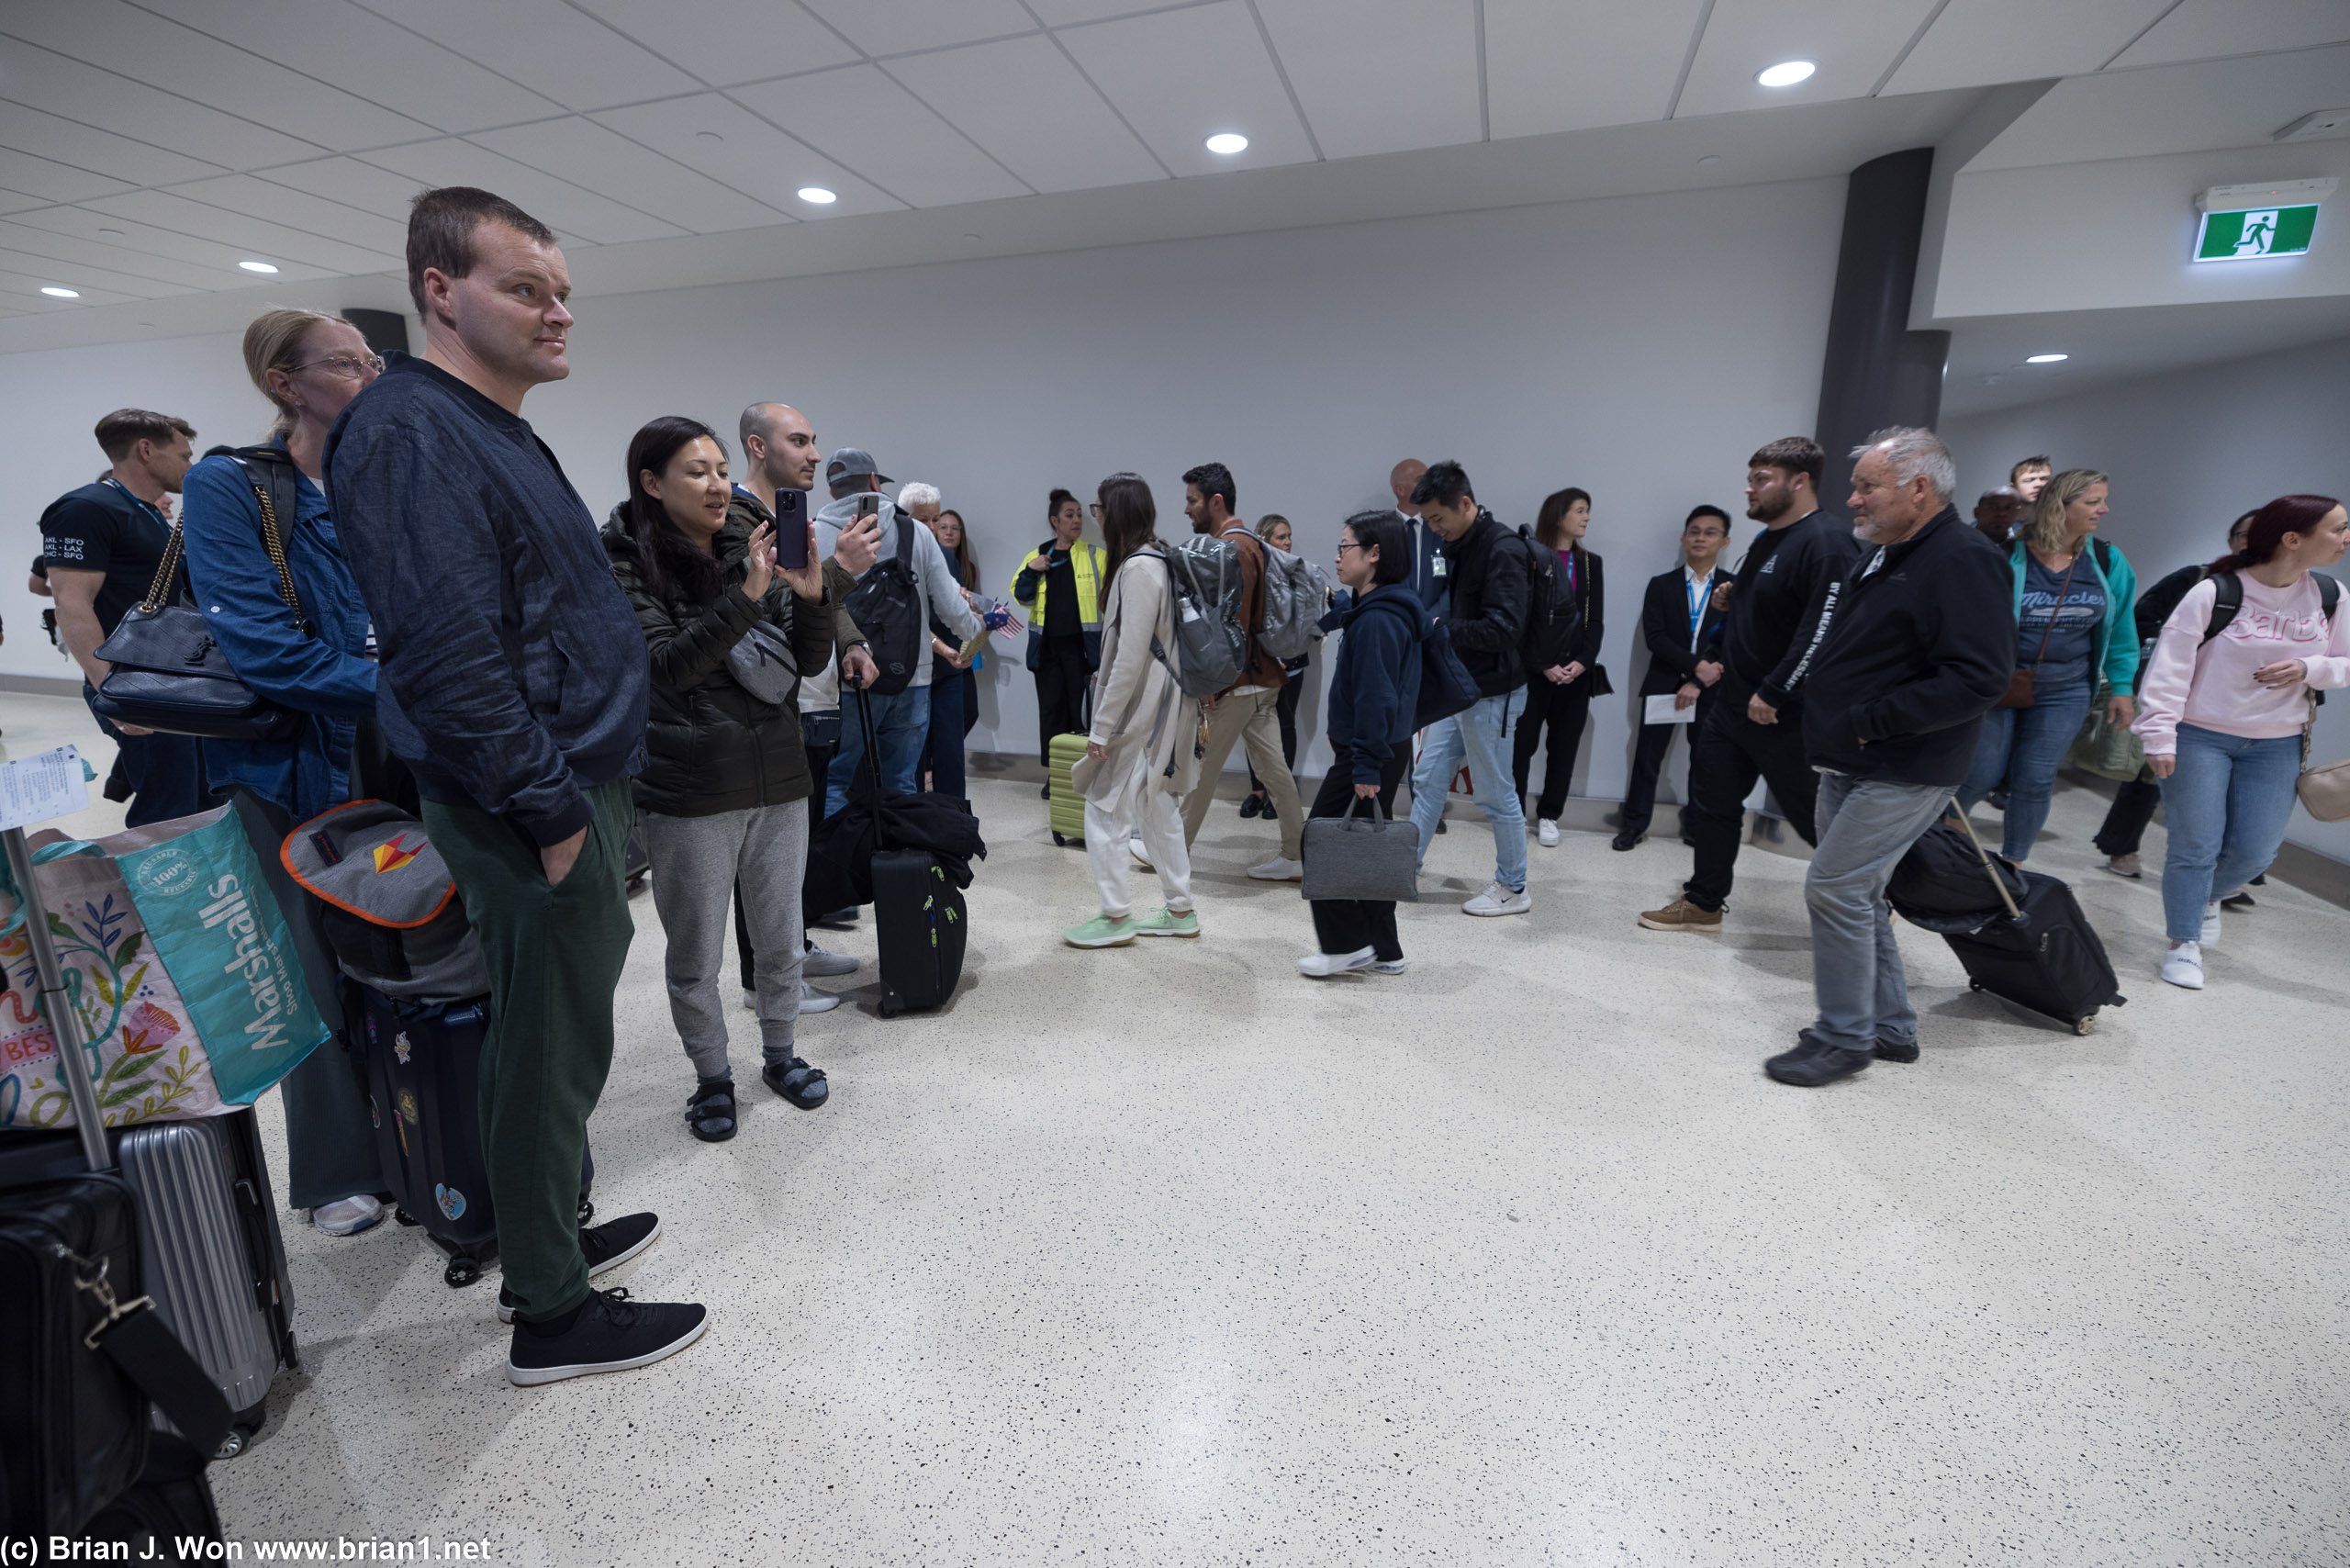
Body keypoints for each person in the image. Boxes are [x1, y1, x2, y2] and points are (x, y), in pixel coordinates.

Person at [325, 185, 701, 1385]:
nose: (557, 315)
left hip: (566, 787)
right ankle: (551, 1313)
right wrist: (544, 811)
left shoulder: (482, 423)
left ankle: (553, 1239)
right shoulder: (409, 429)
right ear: (441, 291)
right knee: (547, 1054)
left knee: (552, 1045)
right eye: (526, 289)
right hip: (529, 804)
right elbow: (444, 655)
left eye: (563, 295)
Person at [180, 308, 388, 1239]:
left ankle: (411, 1129)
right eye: (346, 363)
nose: (371, 375)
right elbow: (266, 652)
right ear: (284, 382)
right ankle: (337, 1171)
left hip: (386, 754)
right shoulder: (231, 486)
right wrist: (410, 687)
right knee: (305, 972)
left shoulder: (378, 481)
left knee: (397, 952)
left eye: (374, 358)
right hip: (280, 768)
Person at [603, 416, 844, 1142]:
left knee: (779, 940)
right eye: (695, 472)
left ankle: (780, 1054)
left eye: (718, 469)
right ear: (652, 483)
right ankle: (712, 1078)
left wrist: (810, 594)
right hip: (691, 791)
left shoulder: (751, 542)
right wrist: (744, 595)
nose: (716, 485)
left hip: (778, 776)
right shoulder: (623, 561)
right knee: (696, 956)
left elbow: (804, 663)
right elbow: (669, 665)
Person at [1765, 428, 2014, 1088]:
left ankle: (1843, 1037)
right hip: (1850, 756)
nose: (1853, 500)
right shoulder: (1889, 552)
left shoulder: (1963, 558)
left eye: (1868, 487)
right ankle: (1889, 1026)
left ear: (1920, 488)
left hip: (1904, 763)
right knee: (1862, 893)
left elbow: (1979, 676)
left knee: (1835, 886)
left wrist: (1873, 722)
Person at [1640, 438, 1861, 934]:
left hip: (1784, 715)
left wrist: (1776, 691)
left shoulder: (1826, 543)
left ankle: (1863, 906)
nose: (1750, 487)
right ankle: (1704, 902)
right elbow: (1757, 618)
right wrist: (1728, 612)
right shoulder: (1766, 541)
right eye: (1752, 477)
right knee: (1713, 806)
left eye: (1762, 479)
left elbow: (1821, 630)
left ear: (1799, 482)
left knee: (1813, 818)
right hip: (1733, 707)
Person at [2134, 494, 2350, 991]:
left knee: (2256, 854)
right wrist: (2159, 735)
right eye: (2337, 528)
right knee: (2195, 847)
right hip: (2199, 737)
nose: (2345, 538)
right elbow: (2169, 670)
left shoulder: (2330, 594)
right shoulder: (2216, 592)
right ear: (2292, 539)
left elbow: (2342, 662)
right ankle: (2183, 941)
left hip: (2278, 742)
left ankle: (2202, 898)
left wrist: (2308, 668)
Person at [730, 400, 878, 1011]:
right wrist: (841, 571)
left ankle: (789, 948)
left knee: (790, 848)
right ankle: (760, 979)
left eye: (814, 441)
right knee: (758, 856)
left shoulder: (784, 513)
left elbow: (809, 602)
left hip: (792, 707)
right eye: (800, 441)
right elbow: (778, 615)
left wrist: (849, 636)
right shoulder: (740, 521)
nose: (816, 454)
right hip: (751, 717)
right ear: (759, 447)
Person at [1955, 469, 2140, 865]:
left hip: (2066, 687)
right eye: (2093, 502)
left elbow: (2123, 629)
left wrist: (2123, 687)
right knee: (1980, 774)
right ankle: (1943, 839)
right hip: (1999, 683)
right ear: (2061, 506)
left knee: (2035, 779)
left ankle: (2013, 865)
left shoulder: (2107, 560)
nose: (2103, 510)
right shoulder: (2004, 556)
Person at [39, 408, 207, 827]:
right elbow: (71, 605)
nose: (190, 465)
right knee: (170, 809)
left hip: (171, 678)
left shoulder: (147, 511)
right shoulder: (85, 509)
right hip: (134, 683)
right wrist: (113, 691)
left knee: (194, 795)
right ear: (146, 450)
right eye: (184, 456)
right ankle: (166, 889)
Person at [1064, 473, 1203, 947]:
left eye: (1098, 509)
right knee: (1157, 807)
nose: (1094, 517)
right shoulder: (1156, 560)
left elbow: (1129, 657)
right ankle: (1180, 909)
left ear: (1116, 513)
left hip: (1143, 714)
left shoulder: (1138, 570)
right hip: (1165, 708)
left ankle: (1116, 916)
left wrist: (1101, 727)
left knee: (1103, 807)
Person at [817, 449, 982, 816]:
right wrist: (974, 632)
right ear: (875, 482)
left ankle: (836, 867)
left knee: (838, 779)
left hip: (848, 680)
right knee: (903, 782)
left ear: (832, 492)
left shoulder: (816, 533)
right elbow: (950, 604)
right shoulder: (915, 532)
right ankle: (898, 866)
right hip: (911, 677)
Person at [2095, 511, 2255, 878]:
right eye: (2244, 535)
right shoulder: (2197, 579)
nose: (2250, 542)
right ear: (2231, 540)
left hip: (2247, 706)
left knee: (2239, 788)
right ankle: (2121, 846)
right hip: (2182, 693)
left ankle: (2230, 872)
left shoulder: (2291, 591)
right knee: (2148, 773)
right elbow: (2142, 619)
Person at [1405, 460, 1533, 917]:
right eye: (1428, 522)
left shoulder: (1502, 549)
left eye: (1438, 519)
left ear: (1465, 503)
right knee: (1427, 777)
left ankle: (1514, 887)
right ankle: (1406, 865)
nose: (1435, 530)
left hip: (1493, 692)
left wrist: (1440, 626)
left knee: (1497, 793)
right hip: (1462, 688)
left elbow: (1504, 629)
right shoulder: (1463, 544)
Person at [1299, 510, 1423, 977]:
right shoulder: (1381, 610)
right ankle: (1385, 949)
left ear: (1374, 555)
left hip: (1369, 752)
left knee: (1321, 839)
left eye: (1345, 546)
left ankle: (1345, 944)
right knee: (1368, 845)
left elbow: (1377, 696)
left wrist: (1366, 765)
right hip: (1382, 749)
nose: (1336, 555)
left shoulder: (1378, 622)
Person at [1169, 462, 1305, 880]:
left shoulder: (1233, 549)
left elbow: (1230, 625)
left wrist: (1212, 684)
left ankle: (1173, 853)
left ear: (1216, 501)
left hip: (1238, 683)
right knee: (1274, 770)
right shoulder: (1253, 544)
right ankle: (1296, 854)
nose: (1186, 509)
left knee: (1200, 769)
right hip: (1263, 680)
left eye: (1192, 500)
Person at [1617, 505, 1734, 851]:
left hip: (1713, 687)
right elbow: (1656, 638)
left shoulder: (1736, 587)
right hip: (1664, 681)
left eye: (1710, 532)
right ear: (1684, 538)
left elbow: (1735, 637)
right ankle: (1634, 825)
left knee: (1706, 762)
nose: (1701, 537)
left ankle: (1697, 828)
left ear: (1724, 541)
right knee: (1647, 760)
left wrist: (1699, 680)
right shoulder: (1661, 585)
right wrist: (1694, 668)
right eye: (1694, 531)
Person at [1512, 487, 1608, 846]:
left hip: (1576, 674)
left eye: (1587, 511)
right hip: (1534, 672)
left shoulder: (1590, 563)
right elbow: (1520, 619)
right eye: (1580, 510)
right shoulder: (1530, 557)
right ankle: (1514, 813)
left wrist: (1583, 663)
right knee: (1522, 746)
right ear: (1558, 514)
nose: (1586, 518)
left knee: (1565, 747)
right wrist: (1543, 664)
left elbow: (1595, 621)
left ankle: (1550, 815)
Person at [1011, 488, 1103, 788]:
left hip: (1082, 652)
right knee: (1051, 713)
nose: (1077, 520)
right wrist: (1031, 570)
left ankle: (1082, 776)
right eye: (1069, 515)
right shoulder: (1037, 555)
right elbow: (1021, 596)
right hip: (1047, 651)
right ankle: (1056, 776)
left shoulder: (1094, 556)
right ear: (1055, 520)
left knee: (1081, 714)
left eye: (1079, 514)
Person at [1241, 514, 1314, 821]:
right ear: (1264, 539)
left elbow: (1309, 617)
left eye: (1289, 536)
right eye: (1281, 537)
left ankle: (1279, 794)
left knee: (1284, 724)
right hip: (1258, 663)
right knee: (1253, 727)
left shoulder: (1298, 571)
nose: (1288, 542)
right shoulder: (1252, 571)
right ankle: (1258, 790)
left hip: (1291, 663)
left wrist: (1289, 649)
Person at [914, 496, 984, 797]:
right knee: (912, 755)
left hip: (948, 668)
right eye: (926, 521)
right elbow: (913, 620)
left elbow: (955, 609)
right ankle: (913, 825)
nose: (933, 528)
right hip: (914, 668)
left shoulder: (946, 556)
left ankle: (953, 823)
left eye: (936, 520)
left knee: (951, 752)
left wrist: (967, 641)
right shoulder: (897, 553)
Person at [1387, 458, 1449, 614]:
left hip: (1437, 628)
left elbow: (1455, 583)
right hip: (1394, 625)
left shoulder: (1443, 529)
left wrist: (1432, 619)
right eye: (1421, 480)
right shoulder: (1381, 531)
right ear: (1399, 490)